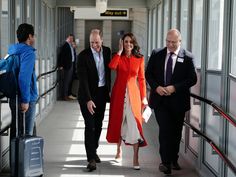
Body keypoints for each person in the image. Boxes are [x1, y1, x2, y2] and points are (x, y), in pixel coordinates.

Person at [145, 29, 197, 175]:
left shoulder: (187, 57)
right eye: (168, 41)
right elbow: (148, 73)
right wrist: (156, 87)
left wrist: (175, 87)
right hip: (160, 101)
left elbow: (192, 79)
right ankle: (165, 163)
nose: (170, 44)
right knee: (165, 131)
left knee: (175, 132)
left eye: (173, 42)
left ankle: (174, 158)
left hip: (178, 101)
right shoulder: (157, 54)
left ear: (180, 41)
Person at [106, 32, 148, 170]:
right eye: (125, 42)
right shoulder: (119, 57)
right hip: (119, 94)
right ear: (122, 44)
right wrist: (119, 51)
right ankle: (119, 149)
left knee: (135, 125)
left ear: (134, 43)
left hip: (134, 95)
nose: (128, 44)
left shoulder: (139, 59)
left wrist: (144, 97)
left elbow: (141, 79)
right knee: (119, 121)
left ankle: (136, 157)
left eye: (130, 42)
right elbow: (112, 66)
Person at [77, 29, 111, 172]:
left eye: (97, 42)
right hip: (87, 95)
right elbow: (83, 79)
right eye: (91, 42)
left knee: (98, 124)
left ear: (102, 41)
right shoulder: (83, 56)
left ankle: (94, 150)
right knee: (90, 125)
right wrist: (88, 99)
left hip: (102, 93)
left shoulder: (107, 52)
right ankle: (91, 158)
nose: (94, 45)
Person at [8, 23, 38, 139]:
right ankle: (23, 158)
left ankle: (15, 157)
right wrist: (25, 100)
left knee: (16, 131)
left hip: (14, 97)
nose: (34, 38)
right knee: (26, 135)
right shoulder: (28, 53)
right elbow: (23, 78)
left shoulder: (13, 51)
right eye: (33, 36)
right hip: (25, 98)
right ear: (29, 36)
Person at [58, 34, 76, 101]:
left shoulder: (70, 45)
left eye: (72, 38)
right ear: (67, 38)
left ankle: (67, 95)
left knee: (68, 81)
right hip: (67, 66)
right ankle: (64, 96)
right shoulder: (65, 45)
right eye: (70, 38)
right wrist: (61, 65)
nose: (71, 39)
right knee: (66, 81)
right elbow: (61, 56)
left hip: (71, 64)